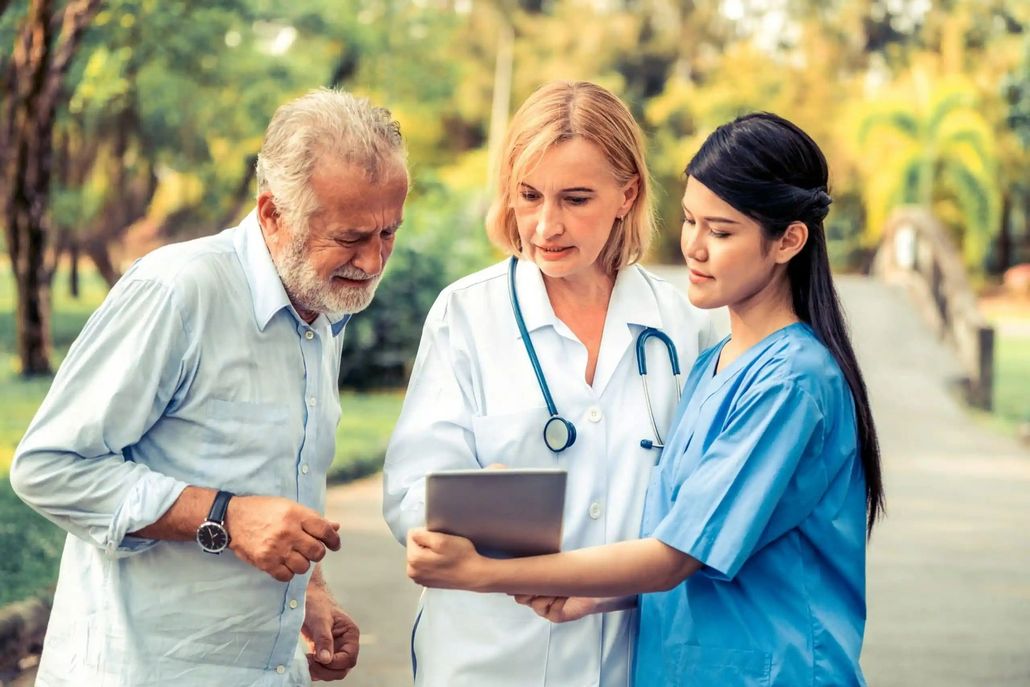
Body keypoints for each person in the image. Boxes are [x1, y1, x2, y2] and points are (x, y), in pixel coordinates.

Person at [406, 112, 886, 687]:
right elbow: (693, 536)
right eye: (689, 221)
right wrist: (600, 596)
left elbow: (675, 555)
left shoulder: (789, 382)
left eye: (722, 231)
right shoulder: (714, 365)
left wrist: (481, 572)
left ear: (789, 240)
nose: (695, 248)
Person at [9, 88, 409, 686]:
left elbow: (269, 476)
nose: (374, 262)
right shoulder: (178, 291)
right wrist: (224, 515)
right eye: (351, 237)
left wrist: (310, 591)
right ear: (274, 214)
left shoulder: (325, 310)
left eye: (388, 233)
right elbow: (48, 466)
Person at [382, 80, 718, 687]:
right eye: (529, 195)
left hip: (626, 658)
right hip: (486, 661)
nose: (546, 226)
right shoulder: (467, 316)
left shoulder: (683, 327)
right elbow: (410, 493)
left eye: (576, 198)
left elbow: (696, 519)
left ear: (627, 194)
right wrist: (459, 510)